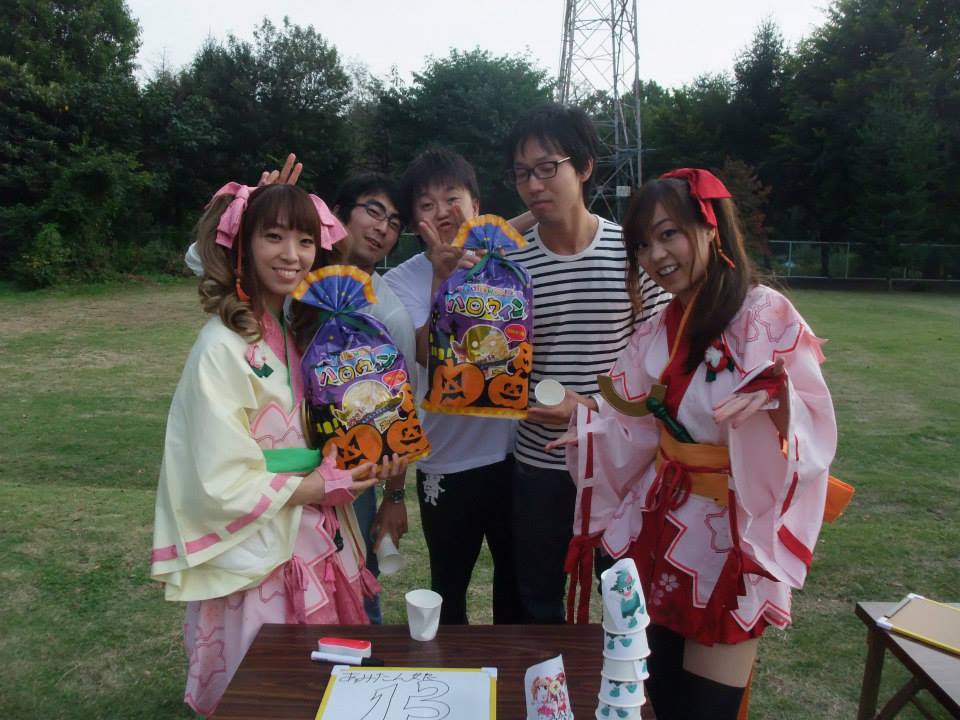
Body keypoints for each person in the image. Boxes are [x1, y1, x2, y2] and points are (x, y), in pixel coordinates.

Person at [548, 169, 837, 718]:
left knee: (707, 708)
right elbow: (635, 422)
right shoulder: (658, 328)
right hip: (659, 529)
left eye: (668, 234)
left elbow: (812, 416)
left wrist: (780, 405)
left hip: (727, 539)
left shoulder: (765, 314)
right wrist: (590, 430)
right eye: (642, 244)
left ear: (710, 229)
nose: (655, 255)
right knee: (657, 696)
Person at [150, 182, 384, 717]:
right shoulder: (220, 345)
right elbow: (215, 469)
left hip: (312, 526)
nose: (291, 255)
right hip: (263, 536)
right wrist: (314, 485)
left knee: (314, 679)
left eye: (305, 240)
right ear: (244, 244)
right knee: (270, 684)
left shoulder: (297, 330)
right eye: (273, 236)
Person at [502, 103, 669, 623]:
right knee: (537, 604)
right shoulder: (509, 264)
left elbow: (664, 371)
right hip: (539, 464)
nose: (534, 185)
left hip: (621, 463)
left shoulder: (633, 255)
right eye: (522, 173)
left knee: (628, 606)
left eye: (547, 167)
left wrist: (592, 406)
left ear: (585, 166)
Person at [383, 148, 525, 625]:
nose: (442, 211)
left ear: (476, 205)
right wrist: (444, 281)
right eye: (426, 204)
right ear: (414, 221)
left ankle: (512, 669)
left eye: (452, 198)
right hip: (445, 460)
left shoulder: (508, 260)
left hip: (513, 456)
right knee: (449, 588)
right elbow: (428, 356)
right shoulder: (402, 281)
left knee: (516, 587)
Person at [327, 173, 415, 625]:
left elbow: (399, 415)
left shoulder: (388, 311)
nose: (383, 228)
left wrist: (394, 496)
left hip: (352, 474)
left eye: (394, 223)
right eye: (374, 211)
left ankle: (364, 659)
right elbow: (199, 260)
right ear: (338, 213)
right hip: (283, 463)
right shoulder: (294, 276)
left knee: (358, 583)